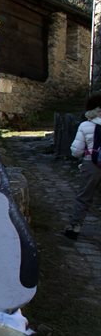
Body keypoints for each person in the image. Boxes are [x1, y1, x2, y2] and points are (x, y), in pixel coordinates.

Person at [64, 93, 101, 240]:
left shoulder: (86, 126)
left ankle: (75, 227)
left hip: (91, 164)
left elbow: (76, 151)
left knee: (84, 197)